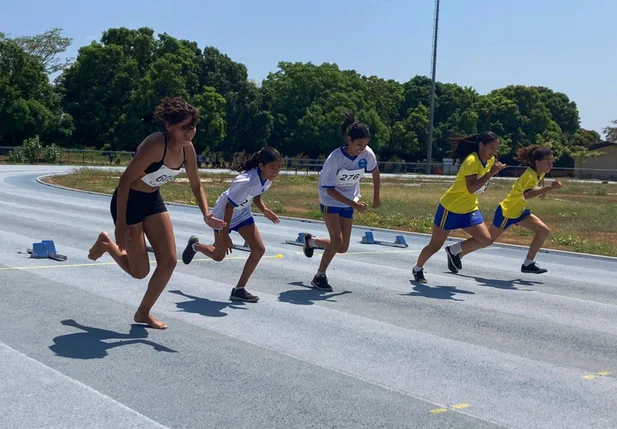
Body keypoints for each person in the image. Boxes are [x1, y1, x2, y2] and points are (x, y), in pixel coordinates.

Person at [87, 97, 225, 329]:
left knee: (169, 261)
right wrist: (120, 222)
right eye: (184, 127)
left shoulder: (187, 150)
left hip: (152, 200)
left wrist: (206, 214)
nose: (190, 132)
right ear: (169, 126)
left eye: (193, 126)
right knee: (139, 272)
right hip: (128, 201)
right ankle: (106, 243)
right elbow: (124, 181)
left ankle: (143, 312)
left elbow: (196, 184)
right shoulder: (155, 145)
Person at [181, 147, 282, 302]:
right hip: (223, 214)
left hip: (242, 213)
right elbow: (229, 206)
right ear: (261, 166)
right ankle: (195, 245)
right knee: (218, 255)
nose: (275, 171)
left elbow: (256, 195)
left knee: (259, 249)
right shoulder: (246, 182)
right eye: (272, 167)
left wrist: (264, 210)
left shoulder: (267, 179)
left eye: (278, 168)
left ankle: (239, 289)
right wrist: (225, 234)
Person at [301, 111, 381, 291]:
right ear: (349, 140)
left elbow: (375, 171)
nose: (362, 148)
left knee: (343, 247)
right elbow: (329, 189)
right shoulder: (334, 159)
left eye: (365, 145)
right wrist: (354, 205)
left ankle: (311, 242)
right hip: (330, 199)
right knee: (336, 242)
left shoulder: (367, 154)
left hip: (349, 199)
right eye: (359, 144)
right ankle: (319, 276)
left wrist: (376, 196)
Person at [412, 131, 506, 283]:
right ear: (481, 145)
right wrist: (490, 174)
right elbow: (471, 188)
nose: (494, 152)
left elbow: (479, 185)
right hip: (450, 208)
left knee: (486, 240)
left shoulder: (490, 161)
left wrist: (490, 175)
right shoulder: (471, 161)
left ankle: (454, 250)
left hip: (469, 209)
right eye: (491, 148)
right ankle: (417, 268)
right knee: (434, 246)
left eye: (496, 149)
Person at [457, 145, 562, 273]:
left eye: (552, 162)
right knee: (486, 241)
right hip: (507, 212)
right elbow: (527, 195)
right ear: (537, 162)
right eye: (548, 162)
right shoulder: (530, 175)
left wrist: (541, 190)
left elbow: (528, 191)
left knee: (543, 231)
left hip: (518, 212)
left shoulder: (538, 173)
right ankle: (456, 251)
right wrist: (549, 188)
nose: (550, 165)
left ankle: (528, 264)